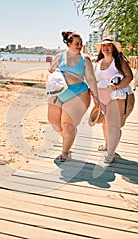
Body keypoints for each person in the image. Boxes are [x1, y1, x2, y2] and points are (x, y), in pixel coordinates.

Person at [48, 31, 98, 161]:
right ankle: (68, 137)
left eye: (81, 44)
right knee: (54, 122)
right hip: (59, 92)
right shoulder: (59, 56)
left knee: (67, 124)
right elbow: (51, 70)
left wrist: (96, 96)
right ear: (69, 44)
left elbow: (91, 78)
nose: (79, 46)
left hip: (78, 93)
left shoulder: (85, 60)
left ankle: (65, 151)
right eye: (76, 44)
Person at [94, 39, 135, 163]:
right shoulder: (99, 62)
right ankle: (107, 146)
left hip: (120, 97)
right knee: (105, 123)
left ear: (113, 48)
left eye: (108, 46)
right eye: (103, 46)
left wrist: (116, 87)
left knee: (114, 125)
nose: (105, 48)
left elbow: (129, 76)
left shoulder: (118, 61)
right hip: (104, 99)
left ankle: (111, 154)